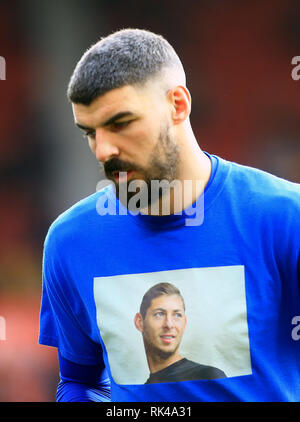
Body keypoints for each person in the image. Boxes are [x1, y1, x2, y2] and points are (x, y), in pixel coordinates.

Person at [39, 28, 300, 402]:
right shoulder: (71, 241)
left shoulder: (284, 218)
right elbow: (81, 381)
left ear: (178, 105)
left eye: (120, 123)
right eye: (90, 133)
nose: (103, 150)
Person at [134, 282, 226, 383]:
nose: (169, 325)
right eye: (159, 314)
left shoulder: (209, 378)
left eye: (177, 315)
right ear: (140, 322)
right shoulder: (141, 393)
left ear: (184, 323)